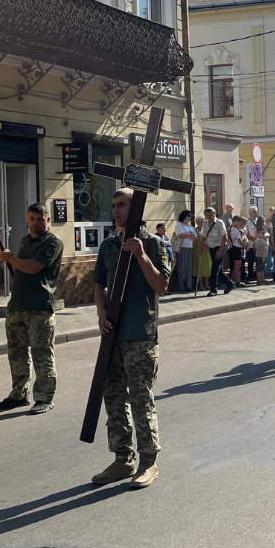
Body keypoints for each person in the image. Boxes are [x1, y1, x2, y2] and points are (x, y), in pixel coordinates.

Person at [91, 188, 170, 489]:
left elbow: (161, 286)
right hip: (112, 334)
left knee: (140, 399)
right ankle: (123, 458)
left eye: (122, 205)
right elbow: (99, 285)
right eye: (113, 205)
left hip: (140, 335)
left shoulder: (154, 243)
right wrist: (101, 313)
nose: (116, 210)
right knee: (112, 397)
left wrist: (141, 255)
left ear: (136, 208)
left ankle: (149, 462)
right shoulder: (109, 245)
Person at [0, 202, 64, 414]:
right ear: (26, 218)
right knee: (17, 354)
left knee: (42, 355)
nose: (35, 223)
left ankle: (44, 397)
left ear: (47, 220)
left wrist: (10, 259)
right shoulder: (25, 240)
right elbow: (21, 269)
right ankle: (18, 394)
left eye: (40, 219)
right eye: (32, 218)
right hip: (17, 306)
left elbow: (33, 268)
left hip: (39, 308)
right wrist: (11, 260)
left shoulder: (53, 242)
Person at [200, 207, 233, 296]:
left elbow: (225, 237)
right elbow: (204, 236)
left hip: (221, 246)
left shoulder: (219, 222)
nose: (209, 216)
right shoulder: (205, 223)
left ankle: (213, 289)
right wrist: (202, 248)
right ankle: (230, 284)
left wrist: (220, 251)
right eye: (207, 215)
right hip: (211, 247)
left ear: (215, 214)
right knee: (219, 269)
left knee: (214, 269)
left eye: (211, 214)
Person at [172, 210, 196, 292]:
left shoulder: (190, 226)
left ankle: (189, 286)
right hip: (182, 247)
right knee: (182, 267)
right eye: (189, 216)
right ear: (184, 216)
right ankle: (181, 286)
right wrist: (190, 235)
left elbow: (195, 237)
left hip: (190, 247)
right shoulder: (179, 224)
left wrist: (189, 236)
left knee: (189, 267)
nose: (190, 217)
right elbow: (180, 234)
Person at [228, 216, 247, 287]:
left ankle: (233, 280)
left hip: (237, 248)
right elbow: (239, 240)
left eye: (239, 221)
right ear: (233, 222)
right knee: (237, 266)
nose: (239, 223)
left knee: (237, 265)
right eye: (237, 221)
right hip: (236, 247)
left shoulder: (235, 229)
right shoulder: (234, 230)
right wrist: (244, 246)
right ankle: (237, 281)